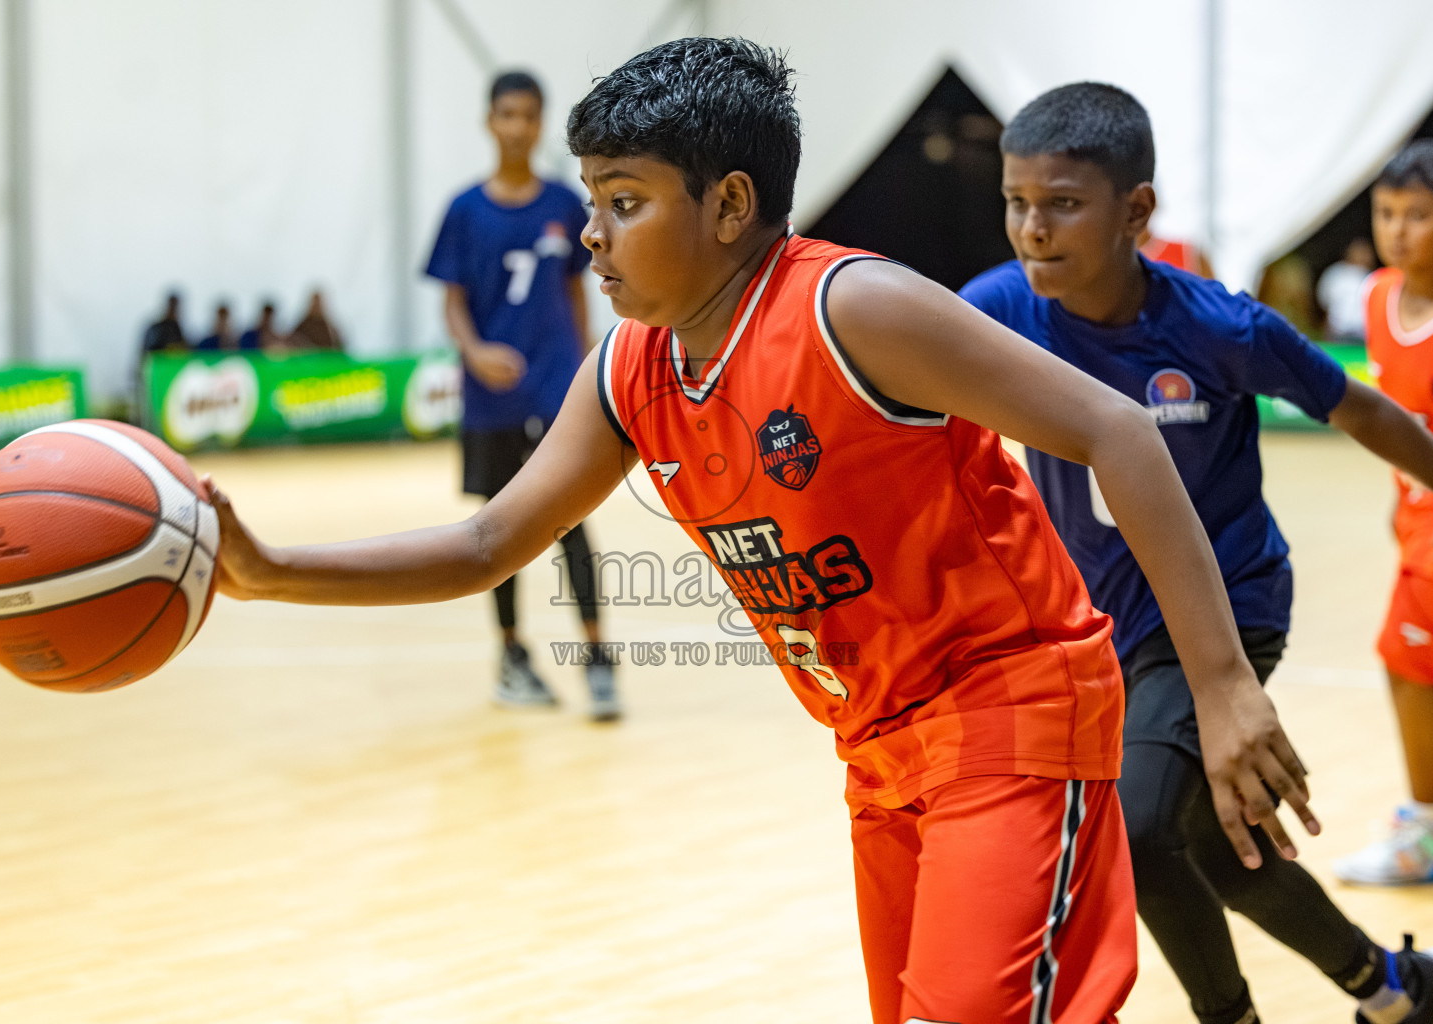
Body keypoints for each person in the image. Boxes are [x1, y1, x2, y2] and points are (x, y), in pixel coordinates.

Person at [209, 39, 1325, 1024]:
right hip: (876, 749)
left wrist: (1224, 686)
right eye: (591, 200)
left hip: (1009, 712)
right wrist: (265, 573)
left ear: (731, 204)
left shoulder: (855, 310)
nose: (592, 235)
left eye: (625, 201)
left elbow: (1122, 434)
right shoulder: (633, 367)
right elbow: (488, 543)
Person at [959, 82, 1433, 1024]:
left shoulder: (1216, 327)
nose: (1032, 227)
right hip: (1108, 624)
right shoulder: (996, 309)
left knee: (1142, 828)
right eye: (1016, 202)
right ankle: (1399, 989)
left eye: (1063, 203)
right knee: (1213, 840)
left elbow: (1363, 408)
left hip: (1228, 609)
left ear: (1136, 212)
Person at [423, 70, 618, 719]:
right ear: (489, 120)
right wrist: (475, 353)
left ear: (541, 123)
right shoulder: (464, 210)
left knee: (570, 524)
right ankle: (511, 655)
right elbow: (452, 301)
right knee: (498, 533)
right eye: (507, 114)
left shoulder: (565, 203)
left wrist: (584, 358)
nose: (518, 127)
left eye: (529, 115)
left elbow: (574, 288)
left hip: (554, 389)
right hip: (491, 399)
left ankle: (597, 660)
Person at [1334, 139, 1433, 887]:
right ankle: (1429, 826)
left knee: (1407, 659)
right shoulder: (1378, 296)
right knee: (1428, 667)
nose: (1398, 229)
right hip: (1421, 520)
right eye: (1386, 213)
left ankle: (1429, 833)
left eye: (1417, 216)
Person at [1317, 237, 1377, 339]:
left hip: (1362, 336)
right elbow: (1325, 306)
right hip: (1337, 332)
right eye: (1360, 251)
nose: (1364, 256)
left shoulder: (1373, 278)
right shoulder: (1335, 273)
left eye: (1366, 253)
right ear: (1350, 252)